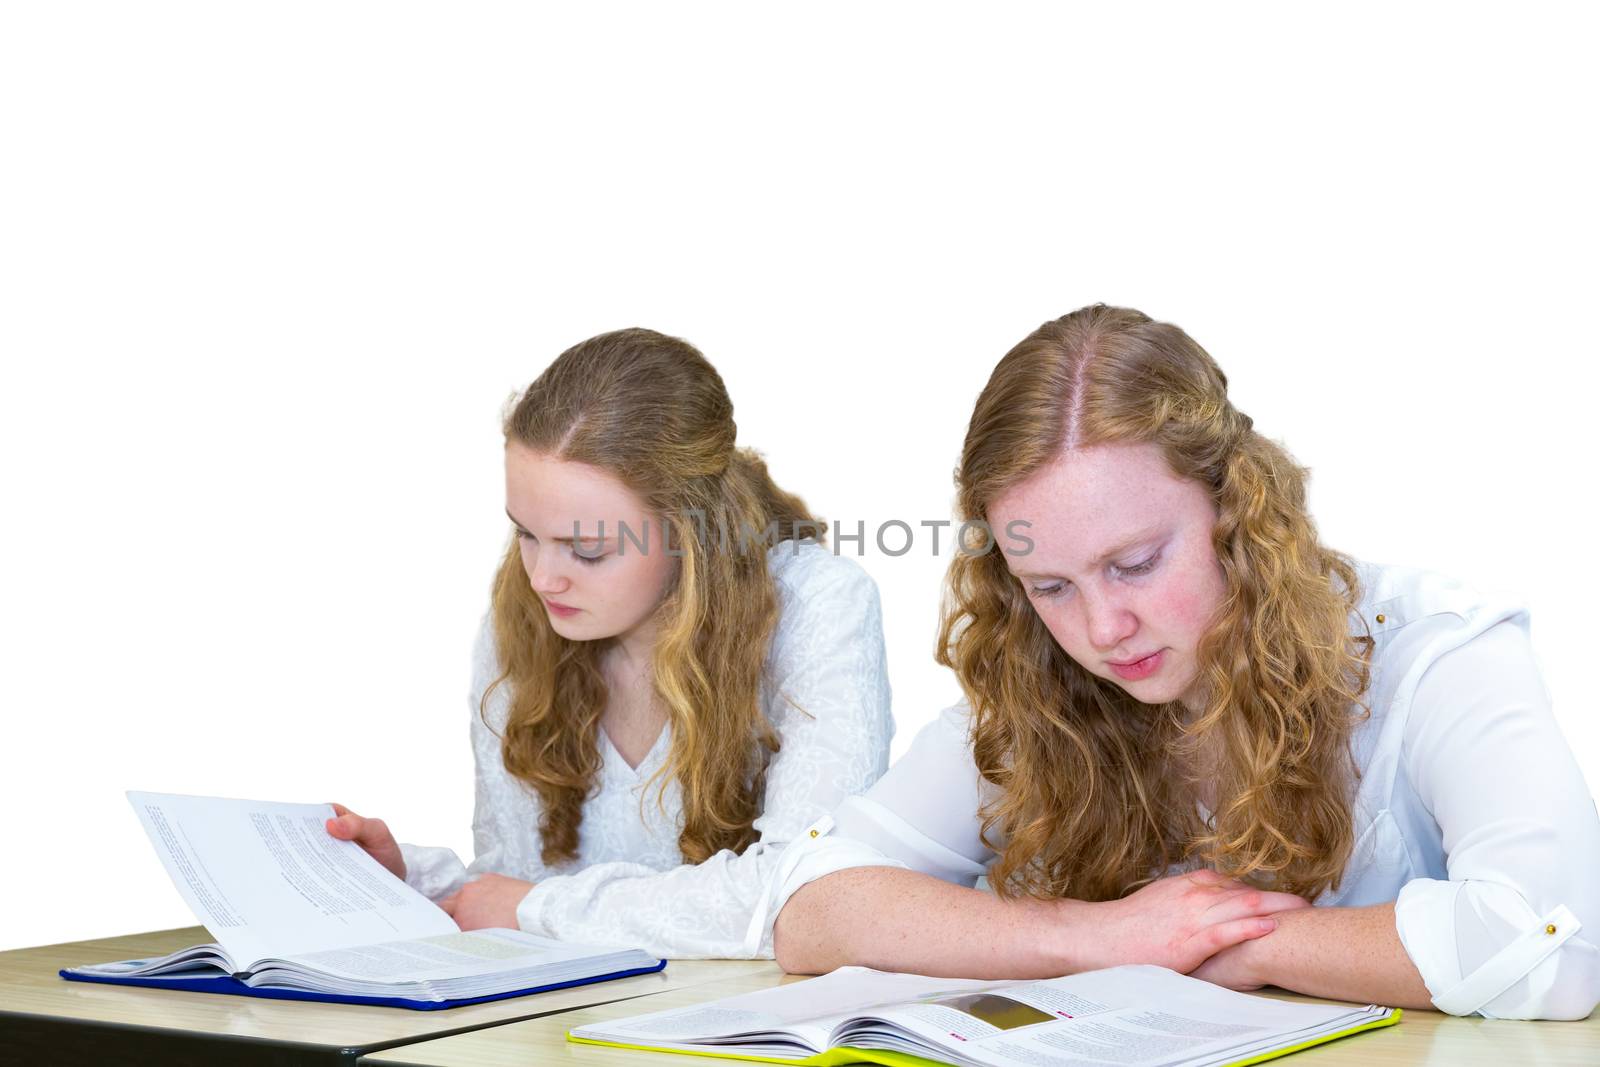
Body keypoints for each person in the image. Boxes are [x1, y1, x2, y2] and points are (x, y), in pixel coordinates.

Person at [769, 304, 1600, 1020]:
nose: (1102, 628)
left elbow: (1556, 944)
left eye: (1135, 563)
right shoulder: (1042, 684)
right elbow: (812, 905)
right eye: (1052, 584)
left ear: (1236, 509)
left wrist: (1245, 945)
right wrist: (1097, 936)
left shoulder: (1437, 651)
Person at [328, 327, 893, 958]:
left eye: (588, 549)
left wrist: (533, 907)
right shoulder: (523, 616)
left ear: (689, 534)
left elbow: (808, 897)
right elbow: (518, 895)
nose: (542, 577)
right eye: (526, 533)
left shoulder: (817, 605)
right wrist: (412, 881)